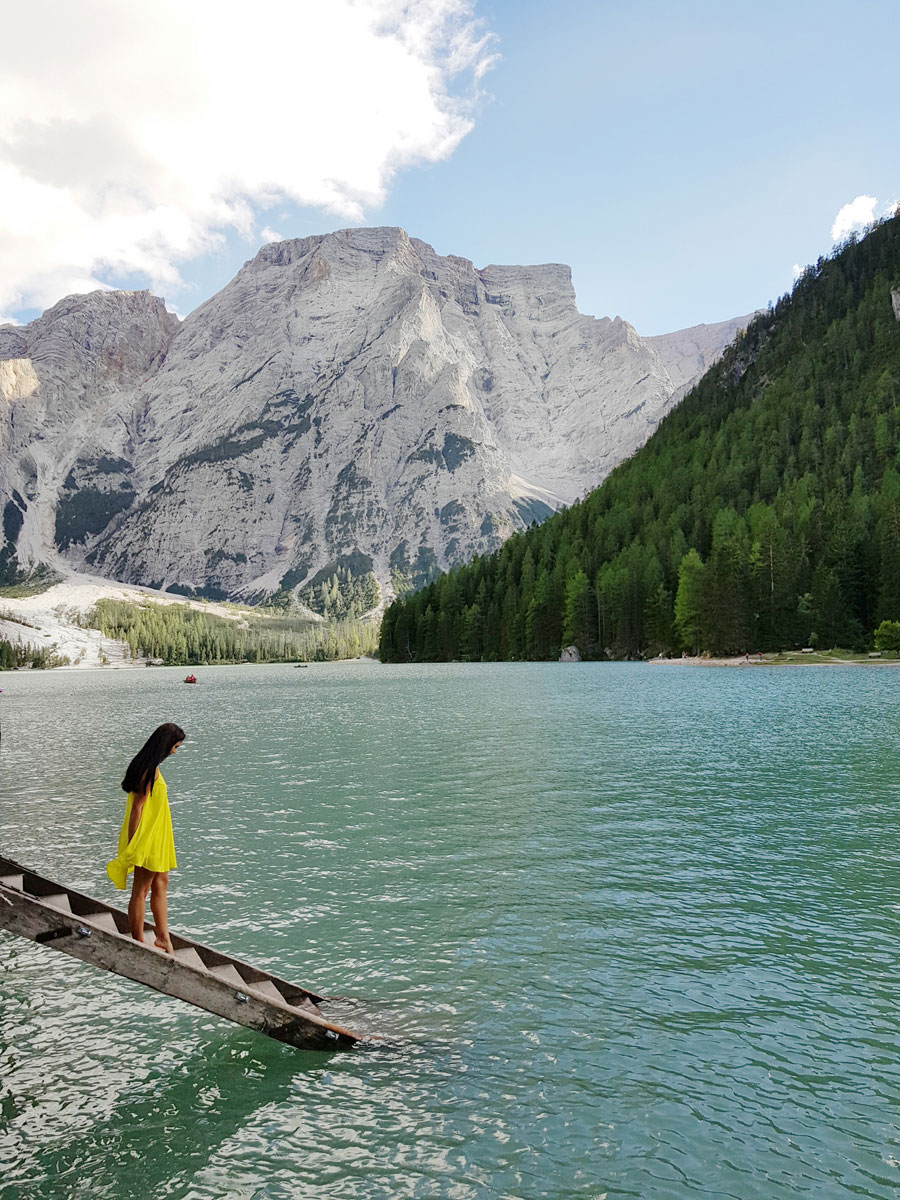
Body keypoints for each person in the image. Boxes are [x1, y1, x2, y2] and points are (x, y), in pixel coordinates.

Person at [106, 722, 185, 954]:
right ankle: (138, 940)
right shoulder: (147, 771)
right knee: (141, 890)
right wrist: (134, 844)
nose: (175, 751)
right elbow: (137, 810)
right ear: (166, 744)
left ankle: (163, 938)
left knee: (161, 883)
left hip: (157, 836)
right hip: (148, 838)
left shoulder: (150, 767)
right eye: (176, 746)